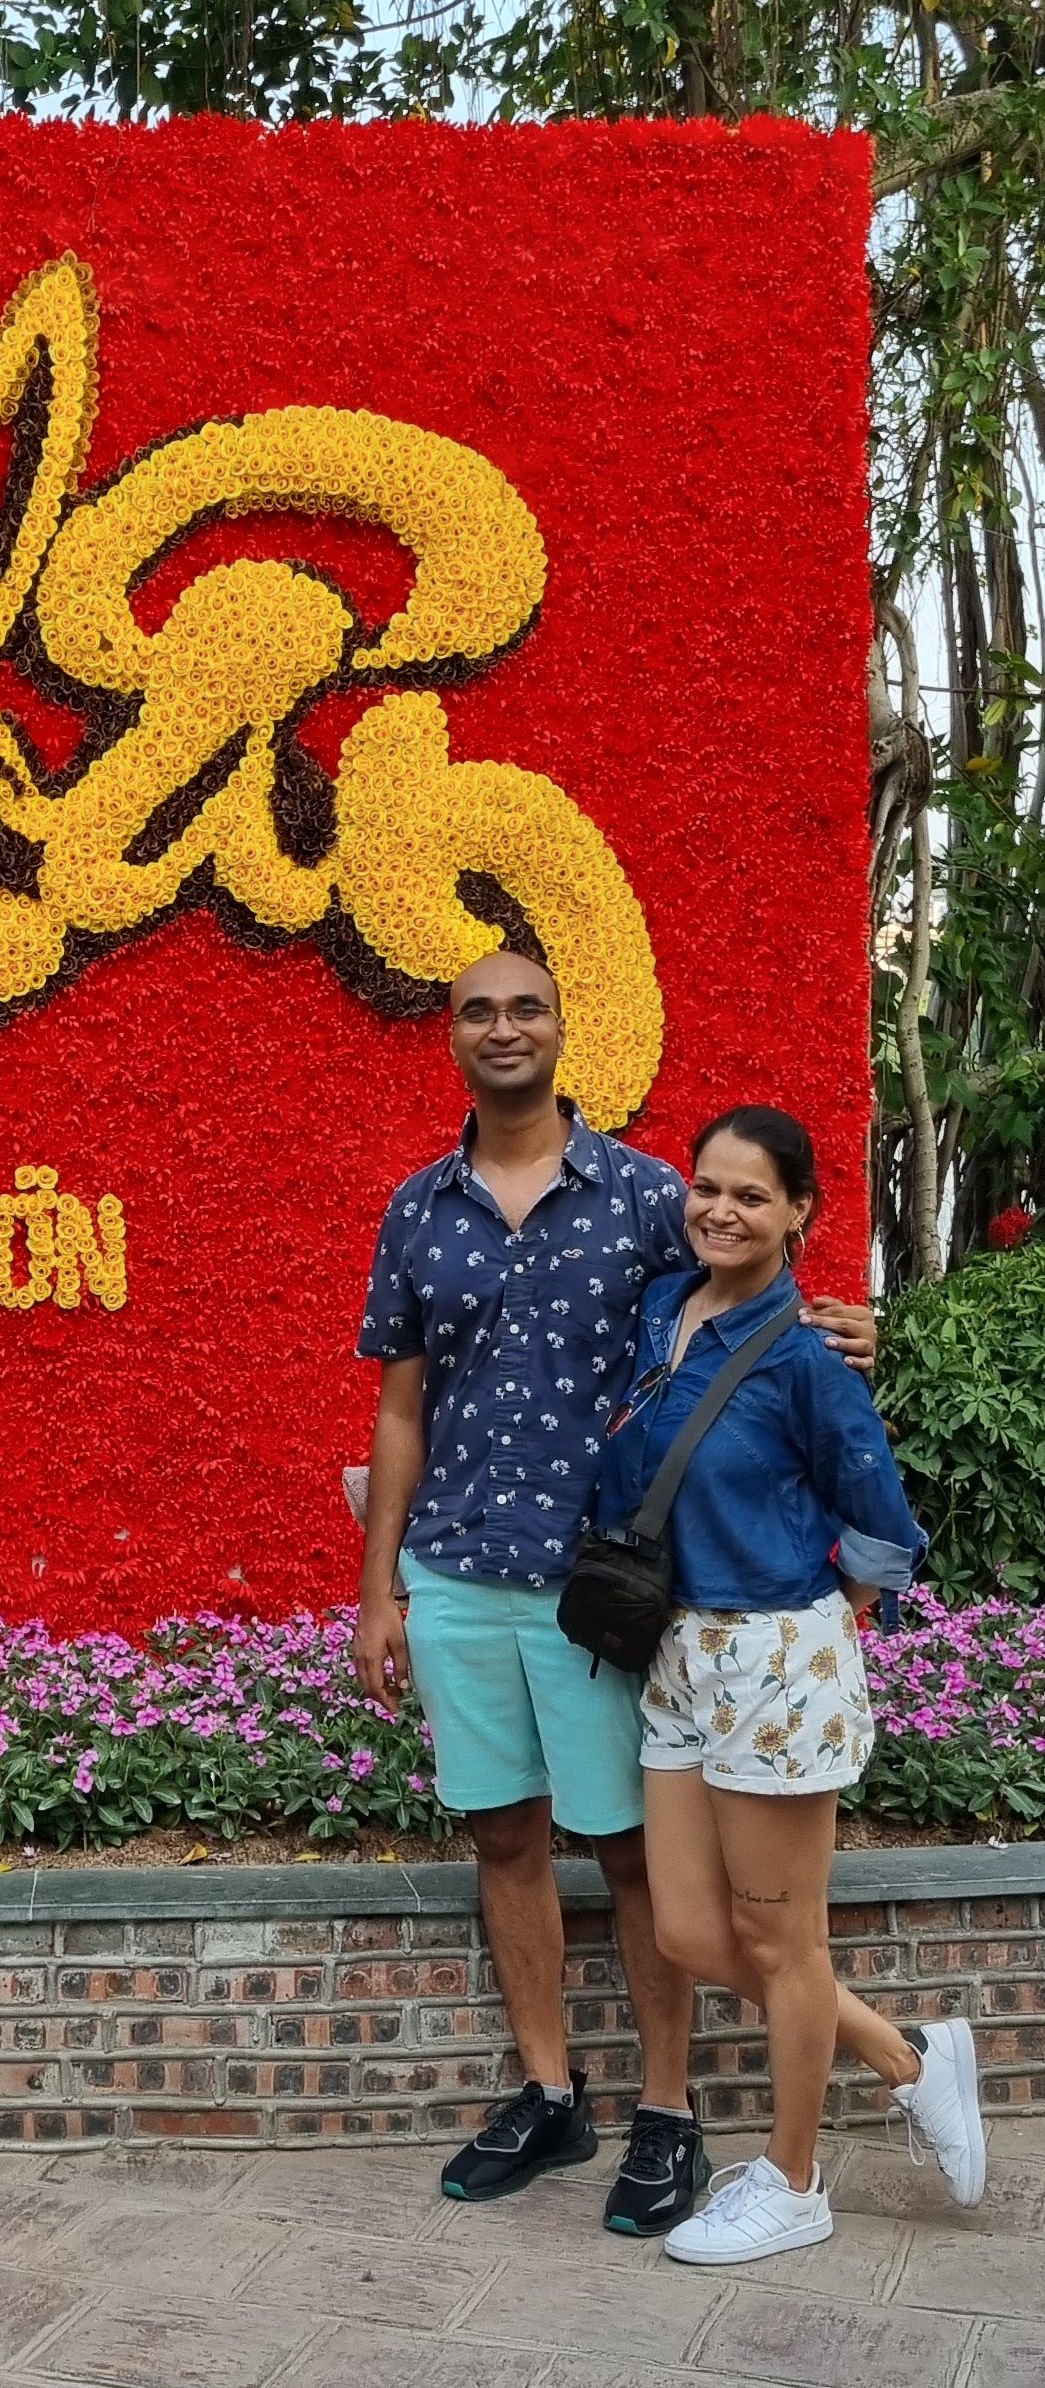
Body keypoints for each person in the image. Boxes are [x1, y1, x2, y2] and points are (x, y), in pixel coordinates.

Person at [351, 947, 876, 2237]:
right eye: (478, 1010)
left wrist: (848, 1328)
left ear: (559, 1027)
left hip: (602, 1590)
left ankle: (666, 2112)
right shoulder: (416, 1208)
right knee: (502, 1837)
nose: (502, 1026)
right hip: (455, 1572)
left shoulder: (645, 1192)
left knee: (632, 1855)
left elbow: (741, 1297)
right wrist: (378, 1589)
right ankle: (549, 2089)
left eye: (525, 1006)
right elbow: (400, 1407)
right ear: (453, 1038)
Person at [600, 1104, 984, 2264]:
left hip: (773, 1657)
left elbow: (882, 1529)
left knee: (782, 1944)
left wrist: (814, 1628)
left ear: (800, 1213)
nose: (720, 1209)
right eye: (707, 1187)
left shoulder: (810, 1357)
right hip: (671, 1652)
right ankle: (909, 2062)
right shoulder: (666, 1310)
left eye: (751, 1195)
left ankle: (793, 2180)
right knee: (684, 1928)